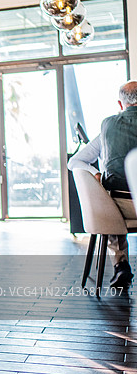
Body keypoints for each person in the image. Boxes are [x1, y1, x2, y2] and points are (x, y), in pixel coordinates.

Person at [69, 80, 137, 288]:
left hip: (120, 208)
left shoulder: (107, 126)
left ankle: (120, 265)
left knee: (110, 204)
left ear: (120, 104)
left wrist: (95, 173)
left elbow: (75, 162)